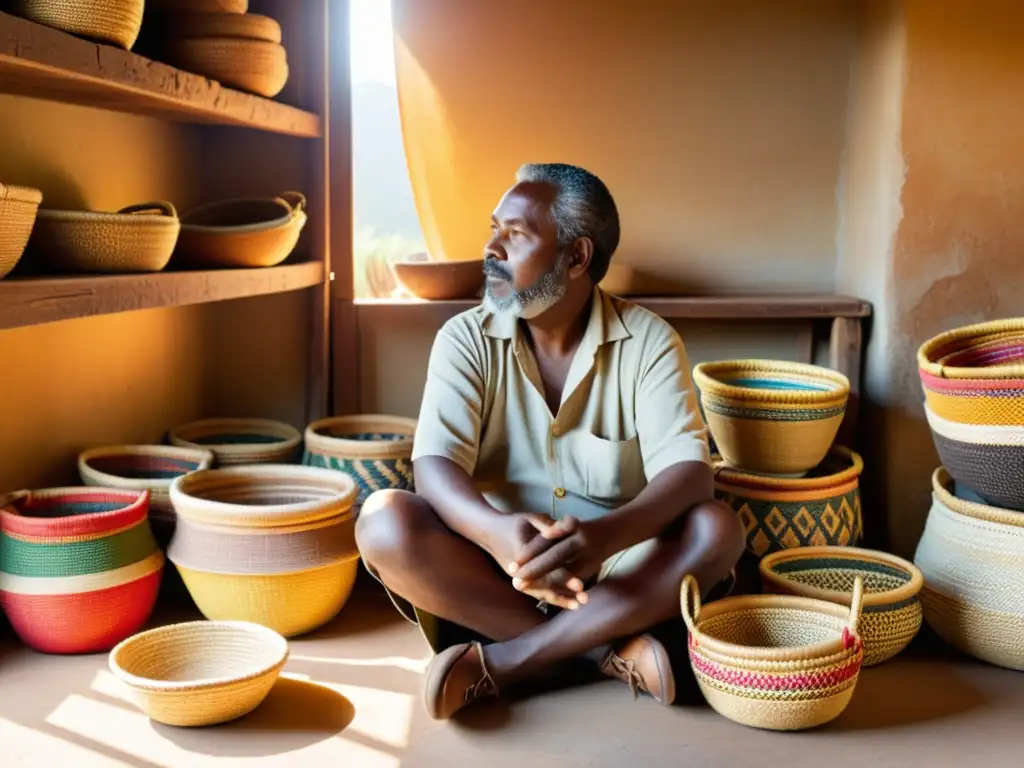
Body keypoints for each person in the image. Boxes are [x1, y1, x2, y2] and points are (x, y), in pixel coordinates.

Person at [355, 162, 745, 720]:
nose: (491, 247)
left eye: (515, 234)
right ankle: (606, 653)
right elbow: (434, 464)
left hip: (617, 571)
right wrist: (494, 533)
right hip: (494, 569)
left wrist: (603, 538)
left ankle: (510, 662)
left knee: (717, 527)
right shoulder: (464, 339)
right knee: (382, 520)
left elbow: (689, 474)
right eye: (494, 229)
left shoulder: (651, 342)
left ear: (576, 257)